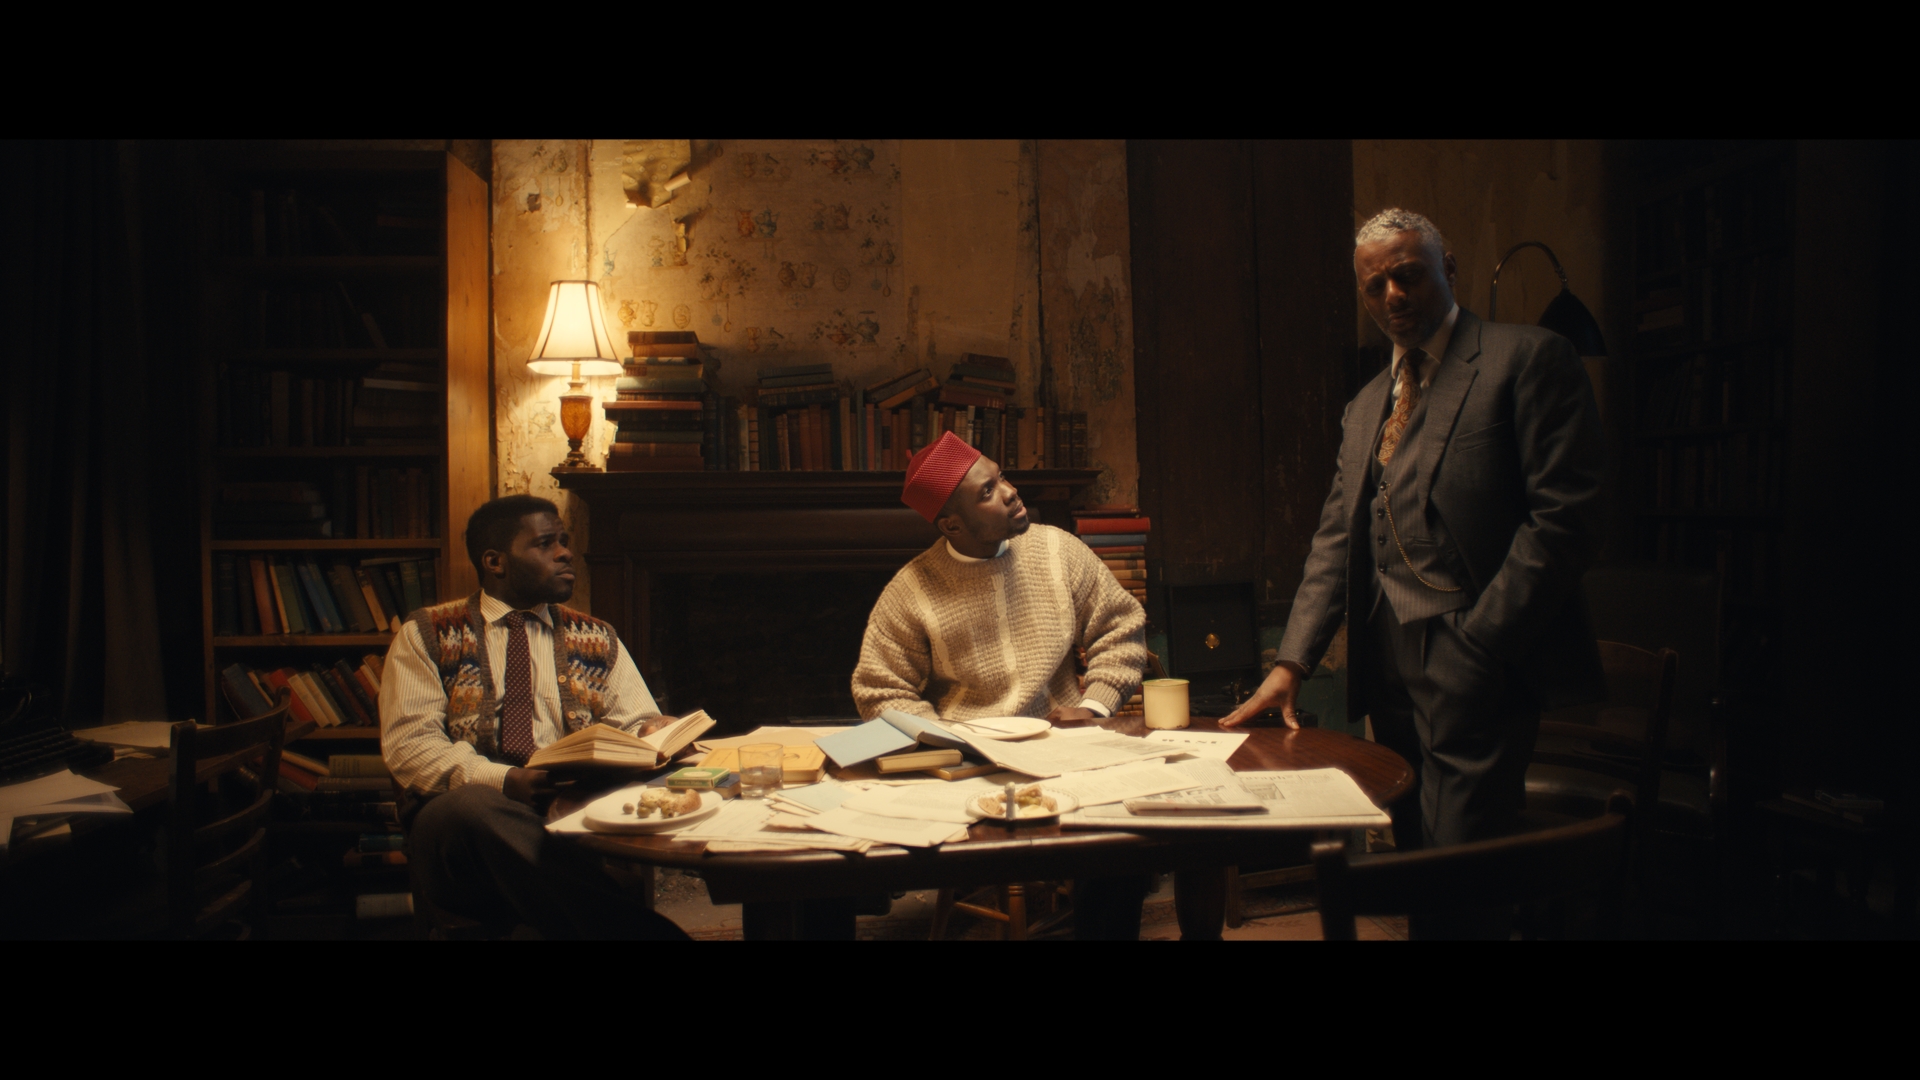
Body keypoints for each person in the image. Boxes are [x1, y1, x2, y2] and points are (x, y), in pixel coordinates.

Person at [1223, 208, 1605, 869]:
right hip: (1387, 661)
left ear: (1446, 267)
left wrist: (1481, 643)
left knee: (1460, 862)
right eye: (1376, 286)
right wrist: (1291, 664)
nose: (1393, 296)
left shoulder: (1528, 358)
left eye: (1408, 275)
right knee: (1412, 855)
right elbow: (1337, 536)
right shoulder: (1368, 402)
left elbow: (1565, 518)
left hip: (1479, 652)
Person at [853, 430, 1151, 937]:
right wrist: (949, 741)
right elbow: (880, 691)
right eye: (987, 491)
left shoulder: (1060, 551)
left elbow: (1122, 630)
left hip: (1065, 752)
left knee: (1128, 841)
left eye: (1001, 477)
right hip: (971, 768)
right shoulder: (910, 590)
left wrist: (1097, 707)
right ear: (951, 524)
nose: (1010, 491)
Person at [378, 494, 688, 940]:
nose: (565, 552)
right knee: (476, 806)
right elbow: (411, 748)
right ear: (495, 562)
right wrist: (506, 782)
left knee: (570, 836)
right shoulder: (428, 634)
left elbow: (636, 723)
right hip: (456, 840)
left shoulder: (596, 638)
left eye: (563, 540)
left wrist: (653, 732)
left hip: (566, 819)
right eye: (545, 544)